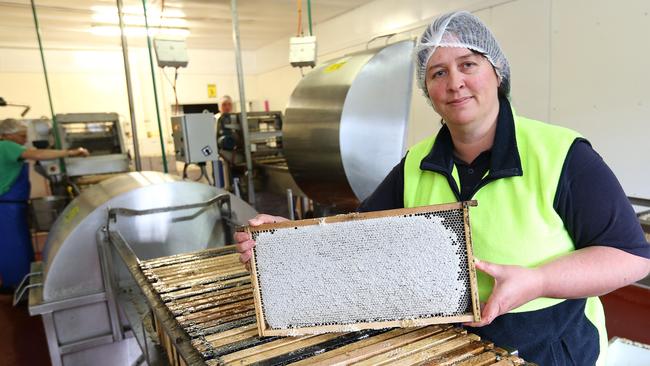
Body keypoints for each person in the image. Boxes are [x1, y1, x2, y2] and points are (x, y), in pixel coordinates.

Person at [235, 11, 650, 365]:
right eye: (438, 72)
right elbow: (356, 239)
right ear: (428, 92)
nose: (455, 82)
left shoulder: (561, 155)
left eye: (468, 64)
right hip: (448, 345)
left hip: (547, 346)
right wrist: (286, 242)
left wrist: (538, 281)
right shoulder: (417, 163)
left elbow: (631, 256)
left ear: (497, 72)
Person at [0, 118, 89, 292]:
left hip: (11, 205)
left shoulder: (7, 147)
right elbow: (37, 154)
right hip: (6, 207)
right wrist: (71, 152)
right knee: (14, 247)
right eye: (21, 136)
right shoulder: (5, 145)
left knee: (18, 245)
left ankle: (21, 282)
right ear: (7, 135)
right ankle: (18, 285)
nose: (24, 140)